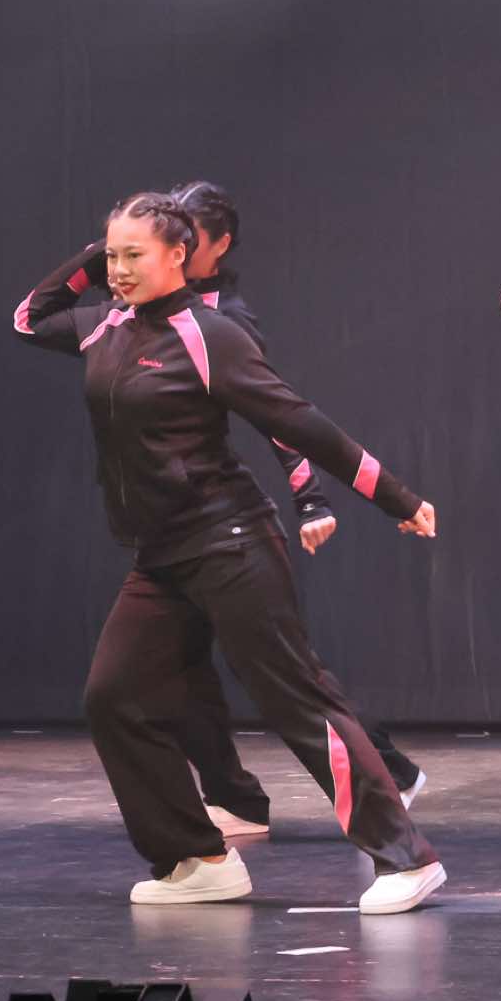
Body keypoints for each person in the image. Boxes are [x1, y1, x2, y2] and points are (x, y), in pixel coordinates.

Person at [14, 191, 445, 913]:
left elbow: (301, 422)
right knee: (114, 698)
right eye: (111, 256)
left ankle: (407, 859)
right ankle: (198, 857)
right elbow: (31, 317)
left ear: (179, 255)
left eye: (134, 255)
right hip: (161, 555)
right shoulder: (105, 325)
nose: (118, 270)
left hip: (229, 541)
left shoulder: (211, 334)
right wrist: (103, 255)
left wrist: (396, 497)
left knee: (296, 698)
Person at [162, 181, 426, 840]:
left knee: (283, 671)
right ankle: (236, 797)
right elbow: (34, 318)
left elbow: (280, 414)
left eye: (190, 236)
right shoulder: (146, 310)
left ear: (220, 246)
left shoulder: (225, 320)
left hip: (224, 525)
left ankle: (388, 777)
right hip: (168, 526)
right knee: (173, 667)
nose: (176, 246)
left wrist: (311, 496)